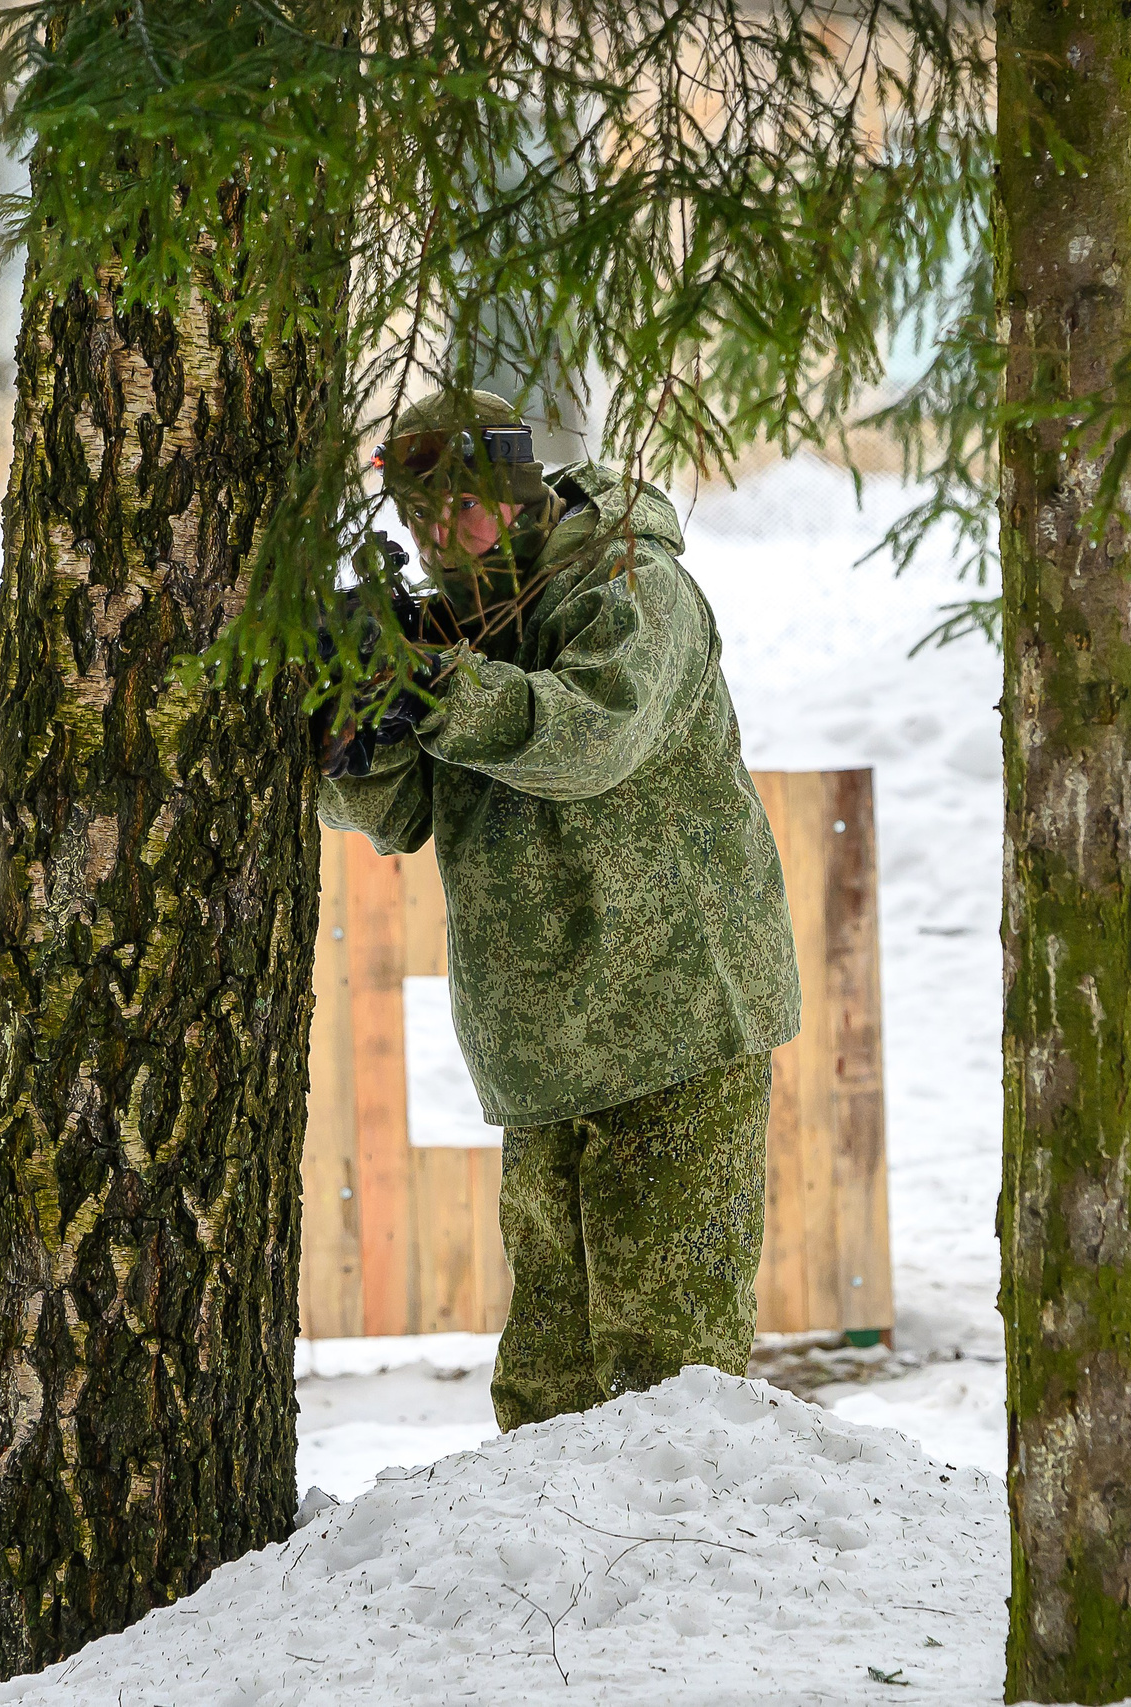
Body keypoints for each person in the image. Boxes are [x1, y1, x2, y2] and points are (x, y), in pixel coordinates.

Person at [314, 388, 799, 1431]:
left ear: (520, 492)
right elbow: (394, 812)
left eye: (463, 508)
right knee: (547, 1385)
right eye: (417, 518)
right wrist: (350, 729)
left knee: (669, 1379)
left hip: (676, 1020)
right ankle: (563, 1590)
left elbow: (590, 738)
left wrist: (439, 689)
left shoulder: (627, 582)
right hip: (545, 1047)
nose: (440, 537)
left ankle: (689, 1580)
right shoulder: (460, 622)